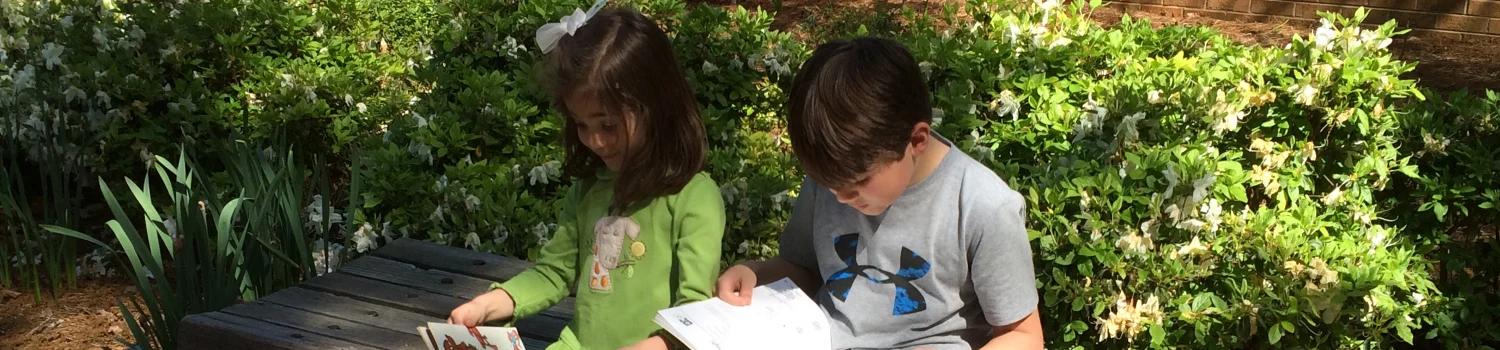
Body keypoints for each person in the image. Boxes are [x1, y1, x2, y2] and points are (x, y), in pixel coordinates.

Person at [714, 37, 1044, 349]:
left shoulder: (984, 207)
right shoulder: (832, 179)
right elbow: (803, 268)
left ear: (917, 140)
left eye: (859, 182)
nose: (841, 197)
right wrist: (755, 274)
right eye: (830, 185)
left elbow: (1025, 336)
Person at [449, 2, 724, 349]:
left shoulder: (693, 197)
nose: (595, 141)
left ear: (656, 107)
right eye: (581, 124)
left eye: (608, 125)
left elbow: (695, 313)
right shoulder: (589, 189)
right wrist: (490, 304)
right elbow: (554, 272)